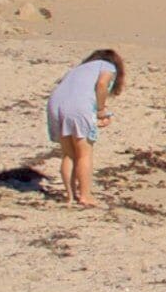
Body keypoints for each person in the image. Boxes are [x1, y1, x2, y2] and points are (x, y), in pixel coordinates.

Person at [47, 48, 124, 207]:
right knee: (84, 154)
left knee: (68, 154)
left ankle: (70, 196)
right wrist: (101, 111)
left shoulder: (78, 70)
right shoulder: (108, 66)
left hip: (55, 103)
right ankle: (85, 195)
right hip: (78, 107)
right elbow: (102, 84)